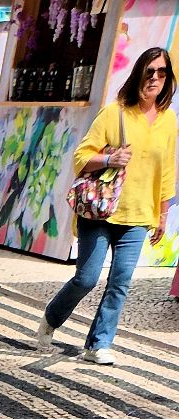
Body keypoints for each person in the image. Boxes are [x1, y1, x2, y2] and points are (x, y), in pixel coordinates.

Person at [36, 50, 176, 362]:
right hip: (100, 210)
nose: (155, 78)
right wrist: (110, 158)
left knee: (120, 282)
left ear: (168, 78)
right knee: (86, 278)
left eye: (162, 72)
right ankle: (52, 317)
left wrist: (163, 213)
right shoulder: (115, 113)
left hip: (138, 214)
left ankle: (98, 344)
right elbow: (81, 157)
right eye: (149, 71)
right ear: (138, 74)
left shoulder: (168, 120)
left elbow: (167, 170)